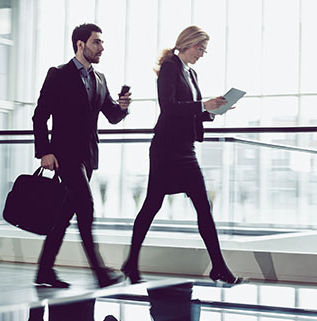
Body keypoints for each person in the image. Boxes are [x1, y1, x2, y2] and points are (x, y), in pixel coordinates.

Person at [122, 25, 245, 285]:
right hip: (166, 150)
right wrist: (203, 104)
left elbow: (191, 111)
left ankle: (219, 267)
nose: (202, 54)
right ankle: (131, 262)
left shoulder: (192, 73)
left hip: (185, 149)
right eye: (200, 48)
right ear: (188, 43)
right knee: (151, 205)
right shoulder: (170, 67)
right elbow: (168, 107)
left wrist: (213, 111)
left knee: (203, 206)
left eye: (204, 50)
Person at [32, 23, 131, 288]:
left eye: (101, 42)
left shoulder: (100, 79)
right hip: (65, 156)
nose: (101, 47)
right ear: (80, 44)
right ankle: (100, 273)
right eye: (96, 42)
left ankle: (44, 271)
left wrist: (123, 107)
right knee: (86, 208)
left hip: (88, 158)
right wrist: (45, 151)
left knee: (64, 215)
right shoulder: (58, 75)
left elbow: (111, 115)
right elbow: (40, 116)